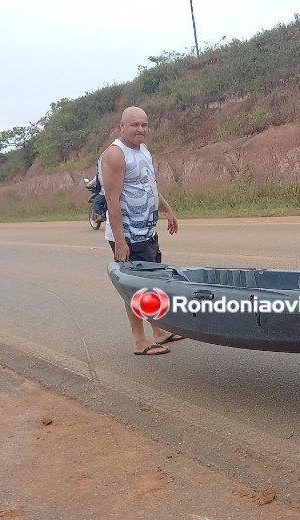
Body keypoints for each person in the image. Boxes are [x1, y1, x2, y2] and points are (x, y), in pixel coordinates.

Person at [99, 106, 183, 356]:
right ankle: (139, 340)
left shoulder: (143, 150)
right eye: (134, 125)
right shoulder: (116, 154)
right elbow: (113, 201)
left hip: (147, 232)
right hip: (129, 237)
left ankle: (158, 330)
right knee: (134, 287)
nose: (140, 129)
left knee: (153, 283)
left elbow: (149, 186)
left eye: (144, 125)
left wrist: (168, 210)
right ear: (121, 127)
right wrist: (121, 242)